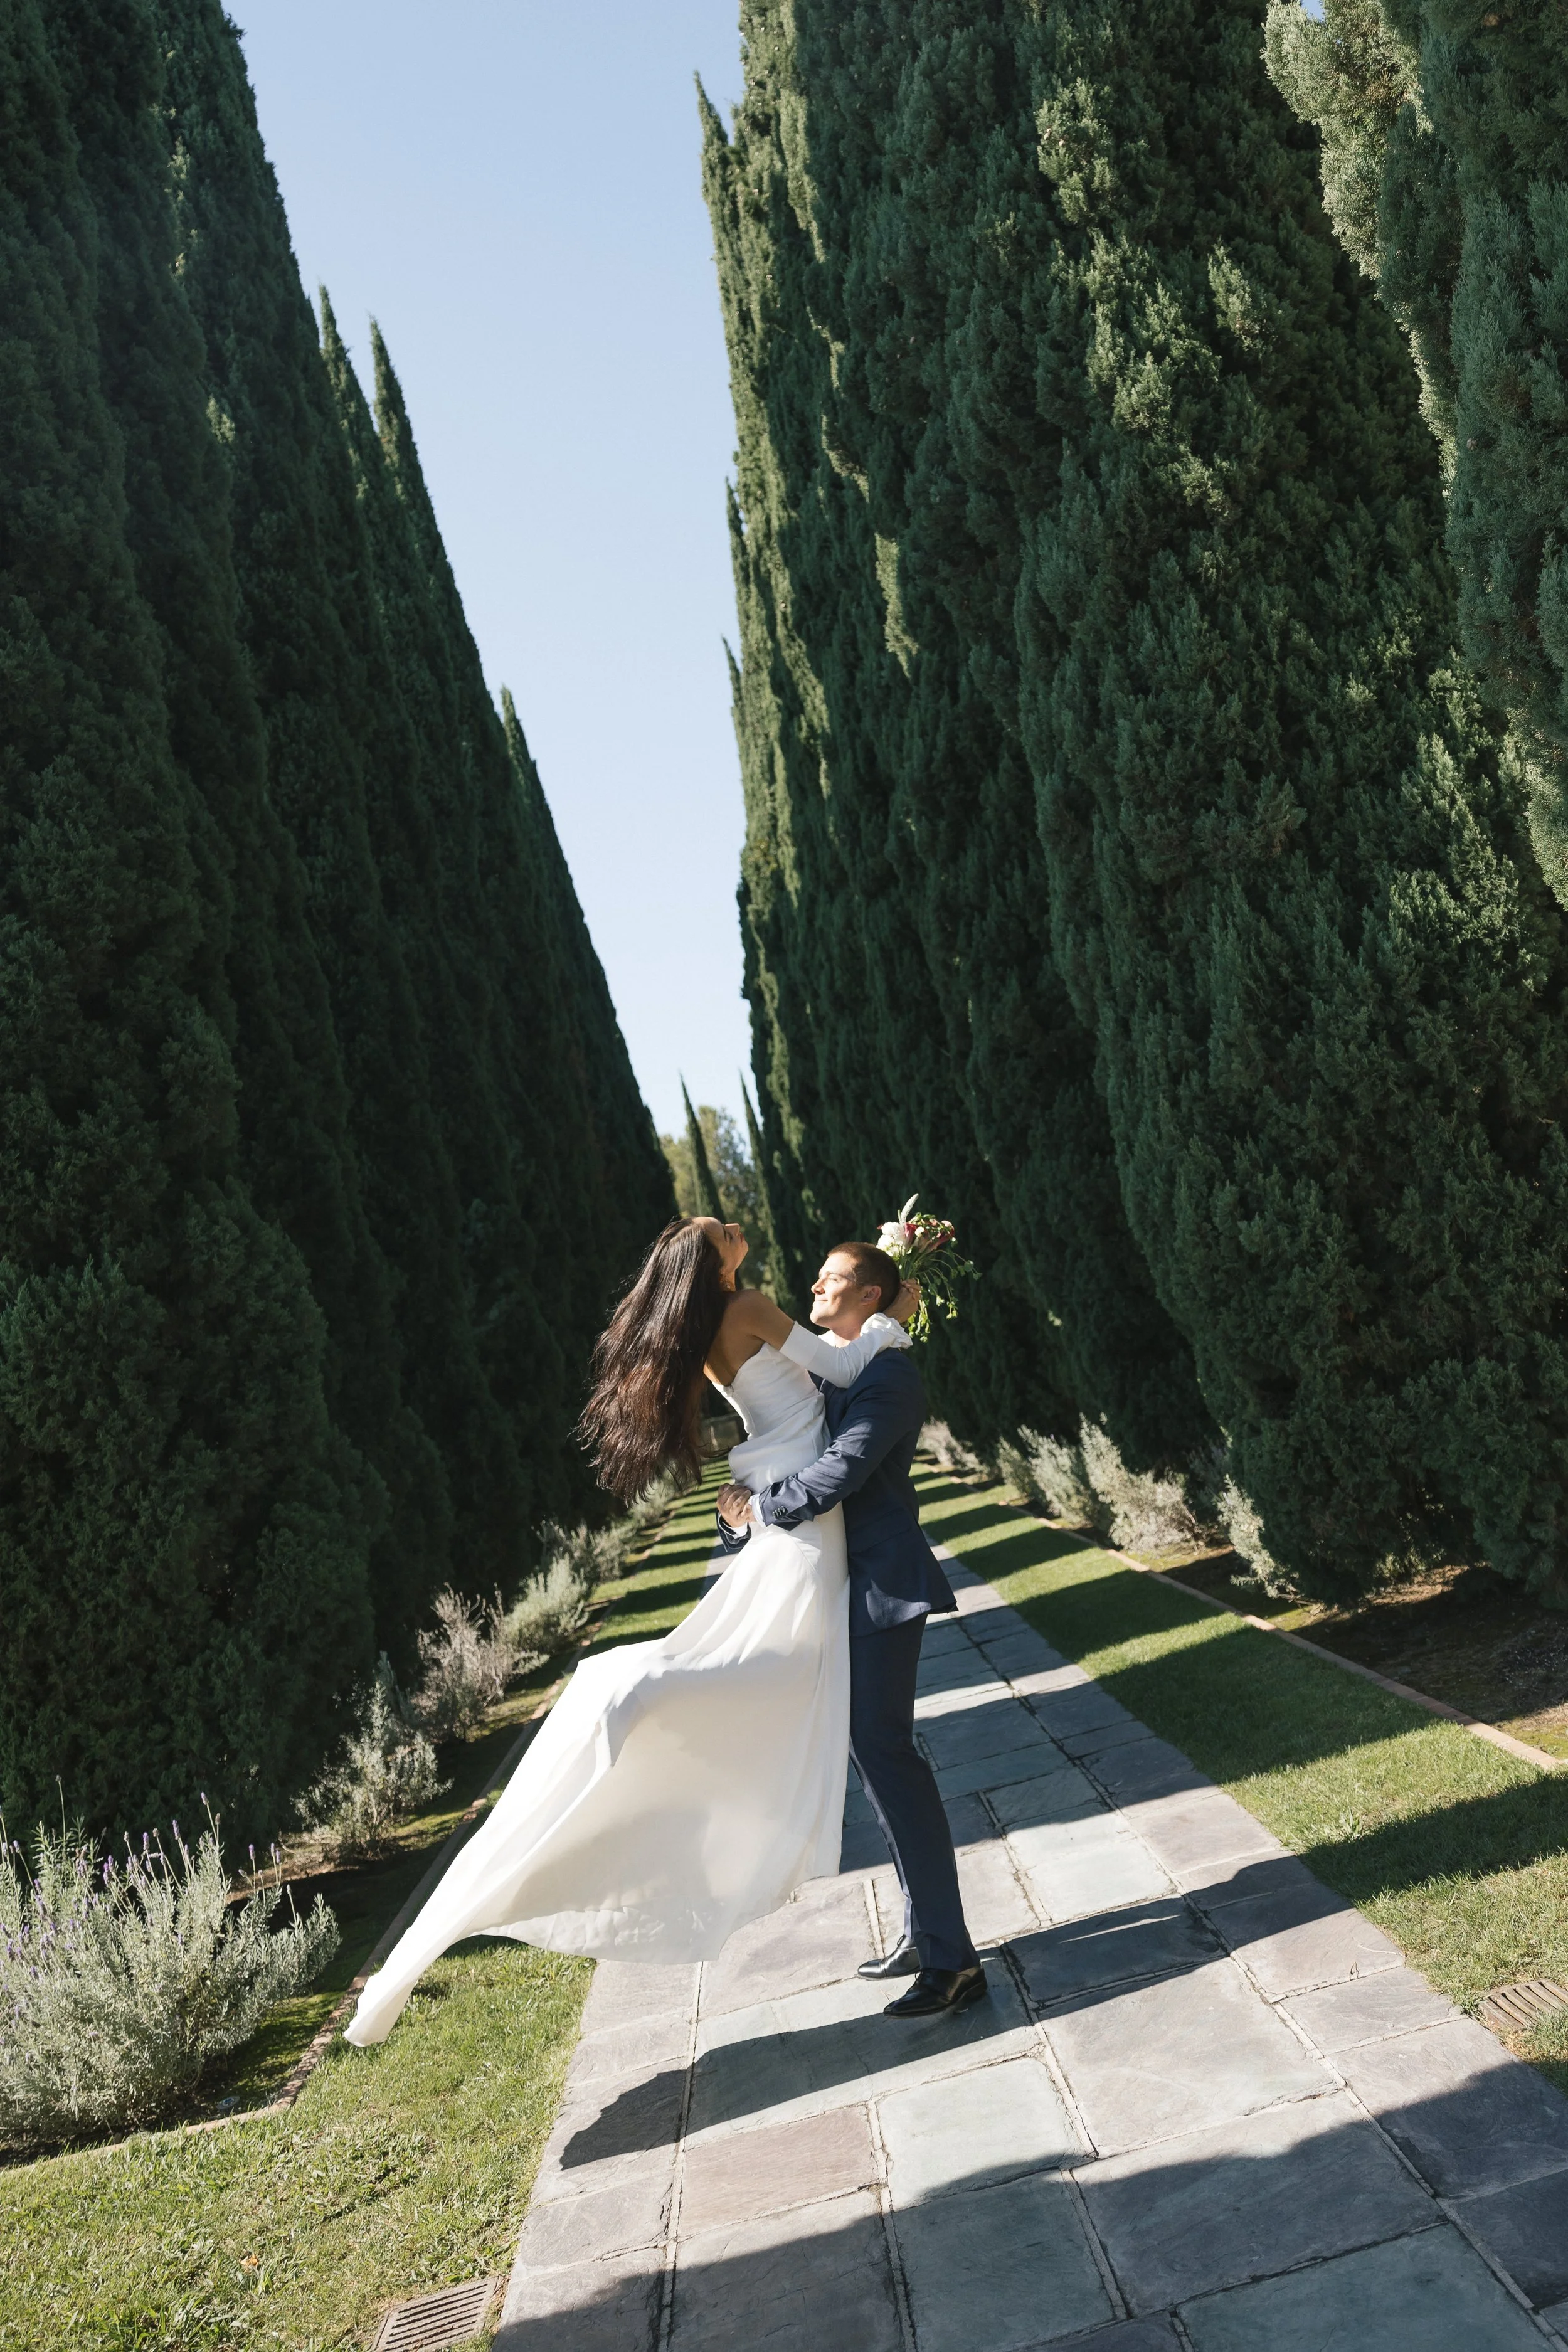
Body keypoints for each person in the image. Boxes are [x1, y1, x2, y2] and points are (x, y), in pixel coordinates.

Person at [342, 1214, 914, 2047]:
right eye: (724, 1230)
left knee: (786, 1659)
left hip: (779, 1491)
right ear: (715, 1263)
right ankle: (645, 1707)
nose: (738, 1228)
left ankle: (636, 1704)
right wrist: (896, 1311)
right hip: (798, 1507)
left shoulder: (709, 1329)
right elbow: (844, 1363)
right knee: (784, 1667)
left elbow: (805, 1375)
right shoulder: (747, 1305)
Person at [716, 1240, 985, 2020]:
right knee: (872, 1760)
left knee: (886, 1754)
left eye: (833, 1279)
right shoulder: (835, 1364)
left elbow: (840, 1470)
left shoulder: (888, 1375)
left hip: (877, 1583)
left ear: (868, 1295)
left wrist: (762, 1510)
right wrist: (739, 1515)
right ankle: (924, 1931)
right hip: (826, 1579)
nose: (814, 1284)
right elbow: (787, 1441)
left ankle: (953, 1961)